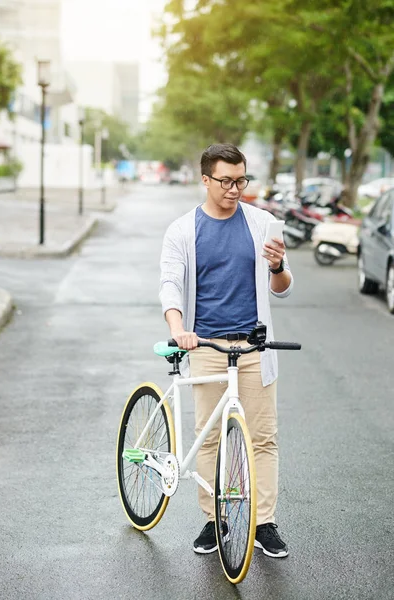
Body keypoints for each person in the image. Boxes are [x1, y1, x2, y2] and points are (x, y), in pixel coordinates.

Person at [159, 143, 293, 558]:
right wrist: (179, 329)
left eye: (241, 180)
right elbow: (170, 285)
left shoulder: (263, 223)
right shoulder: (183, 230)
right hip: (206, 346)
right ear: (205, 179)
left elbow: (284, 288)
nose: (235, 189)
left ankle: (264, 522)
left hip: (254, 346)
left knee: (263, 438)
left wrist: (277, 266)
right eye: (226, 181)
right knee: (209, 437)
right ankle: (211, 520)